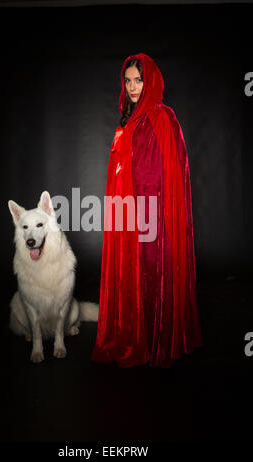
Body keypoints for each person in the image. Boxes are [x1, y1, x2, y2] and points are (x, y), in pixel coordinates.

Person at [91, 53, 203, 368]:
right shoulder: (126, 121)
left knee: (154, 272)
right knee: (131, 274)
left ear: (150, 79)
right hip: (128, 212)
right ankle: (131, 334)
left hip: (154, 215)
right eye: (127, 81)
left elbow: (169, 173)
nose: (132, 87)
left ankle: (156, 339)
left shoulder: (163, 117)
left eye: (138, 80)